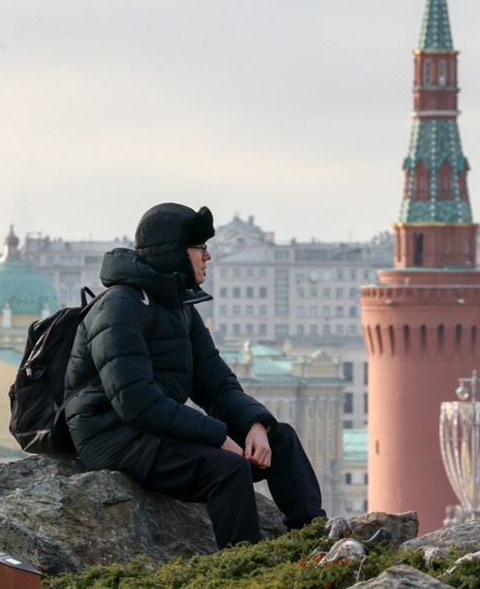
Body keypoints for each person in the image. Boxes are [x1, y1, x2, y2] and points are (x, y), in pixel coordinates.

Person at [64, 202, 326, 548]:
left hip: (154, 429)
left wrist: (254, 423)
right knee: (227, 469)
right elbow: (137, 402)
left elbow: (216, 384)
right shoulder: (119, 306)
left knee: (280, 439)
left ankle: (314, 542)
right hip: (113, 436)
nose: (208, 256)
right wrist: (218, 437)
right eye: (200, 248)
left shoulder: (180, 308)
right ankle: (246, 565)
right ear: (173, 252)